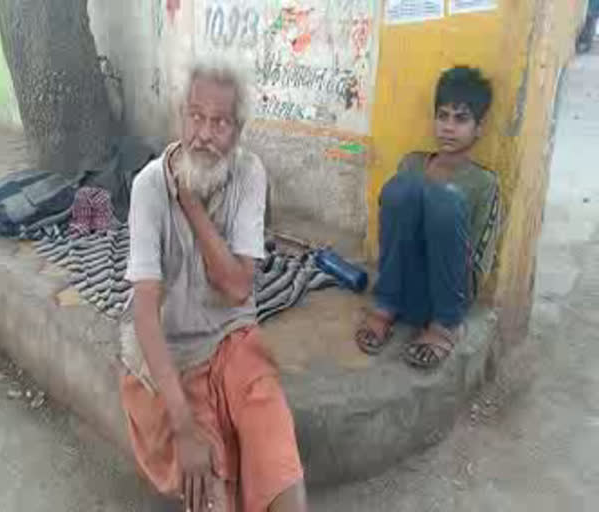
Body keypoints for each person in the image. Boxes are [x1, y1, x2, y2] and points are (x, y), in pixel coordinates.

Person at [119, 62, 308, 512]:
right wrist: (183, 427)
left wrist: (191, 205)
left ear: (238, 130)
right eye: (195, 116)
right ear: (180, 117)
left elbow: (238, 288)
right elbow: (145, 313)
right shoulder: (148, 187)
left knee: (272, 436)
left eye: (219, 122)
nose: (203, 134)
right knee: (210, 490)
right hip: (174, 351)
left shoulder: (249, 173)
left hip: (232, 335)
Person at [355, 66, 501, 370]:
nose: (448, 127)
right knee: (401, 189)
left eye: (460, 119)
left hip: (449, 292)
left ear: (479, 128)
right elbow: (394, 232)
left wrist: (441, 204)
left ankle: (445, 326)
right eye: (443, 116)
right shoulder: (413, 163)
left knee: (443, 201)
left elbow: (477, 260)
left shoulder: (483, 183)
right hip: (405, 284)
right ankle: (385, 306)